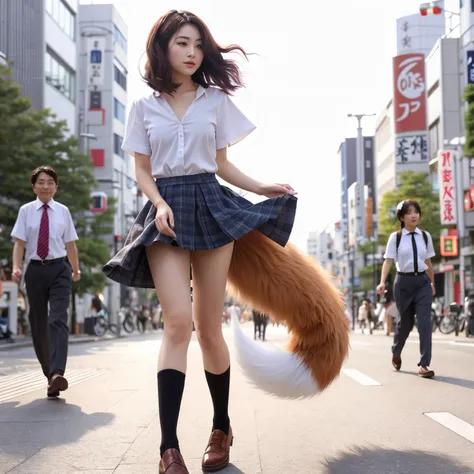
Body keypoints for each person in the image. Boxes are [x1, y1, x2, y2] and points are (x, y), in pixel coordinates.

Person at [102, 10, 297, 474]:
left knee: (208, 328)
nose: (191, 53)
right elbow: (142, 171)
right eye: (182, 44)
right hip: (165, 210)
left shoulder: (215, 101)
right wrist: (159, 204)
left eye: (197, 46)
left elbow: (221, 164)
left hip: (211, 204)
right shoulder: (143, 107)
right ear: (163, 48)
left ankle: (220, 427)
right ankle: (169, 448)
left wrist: (261, 187)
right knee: (177, 323)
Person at [11, 166, 81, 398]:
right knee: (38, 322)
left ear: (56, 186)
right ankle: (49, 375)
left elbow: (70, 243)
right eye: (41, 182)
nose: (46, 186)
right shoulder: (26, 211)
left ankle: (57, 372)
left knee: (58, 319)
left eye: (50, 182)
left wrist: (75, 268)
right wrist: (16, 266)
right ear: (34, 186)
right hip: (35, 271)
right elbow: (19, 243)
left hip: (60, 268)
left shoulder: (63, 211)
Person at [377, 200, 436, 378]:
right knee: (406, 323)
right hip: (403, 283)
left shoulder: (425, 236)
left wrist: (432, 283)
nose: (413, 215)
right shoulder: (396, 238)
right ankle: (396, 350)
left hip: (423, 283)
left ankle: (424, 365)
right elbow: (388, 261)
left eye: (416, 212)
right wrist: (382, 282)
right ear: (402, 217)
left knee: (425, 322)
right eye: (409, 212)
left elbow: (428, 262)